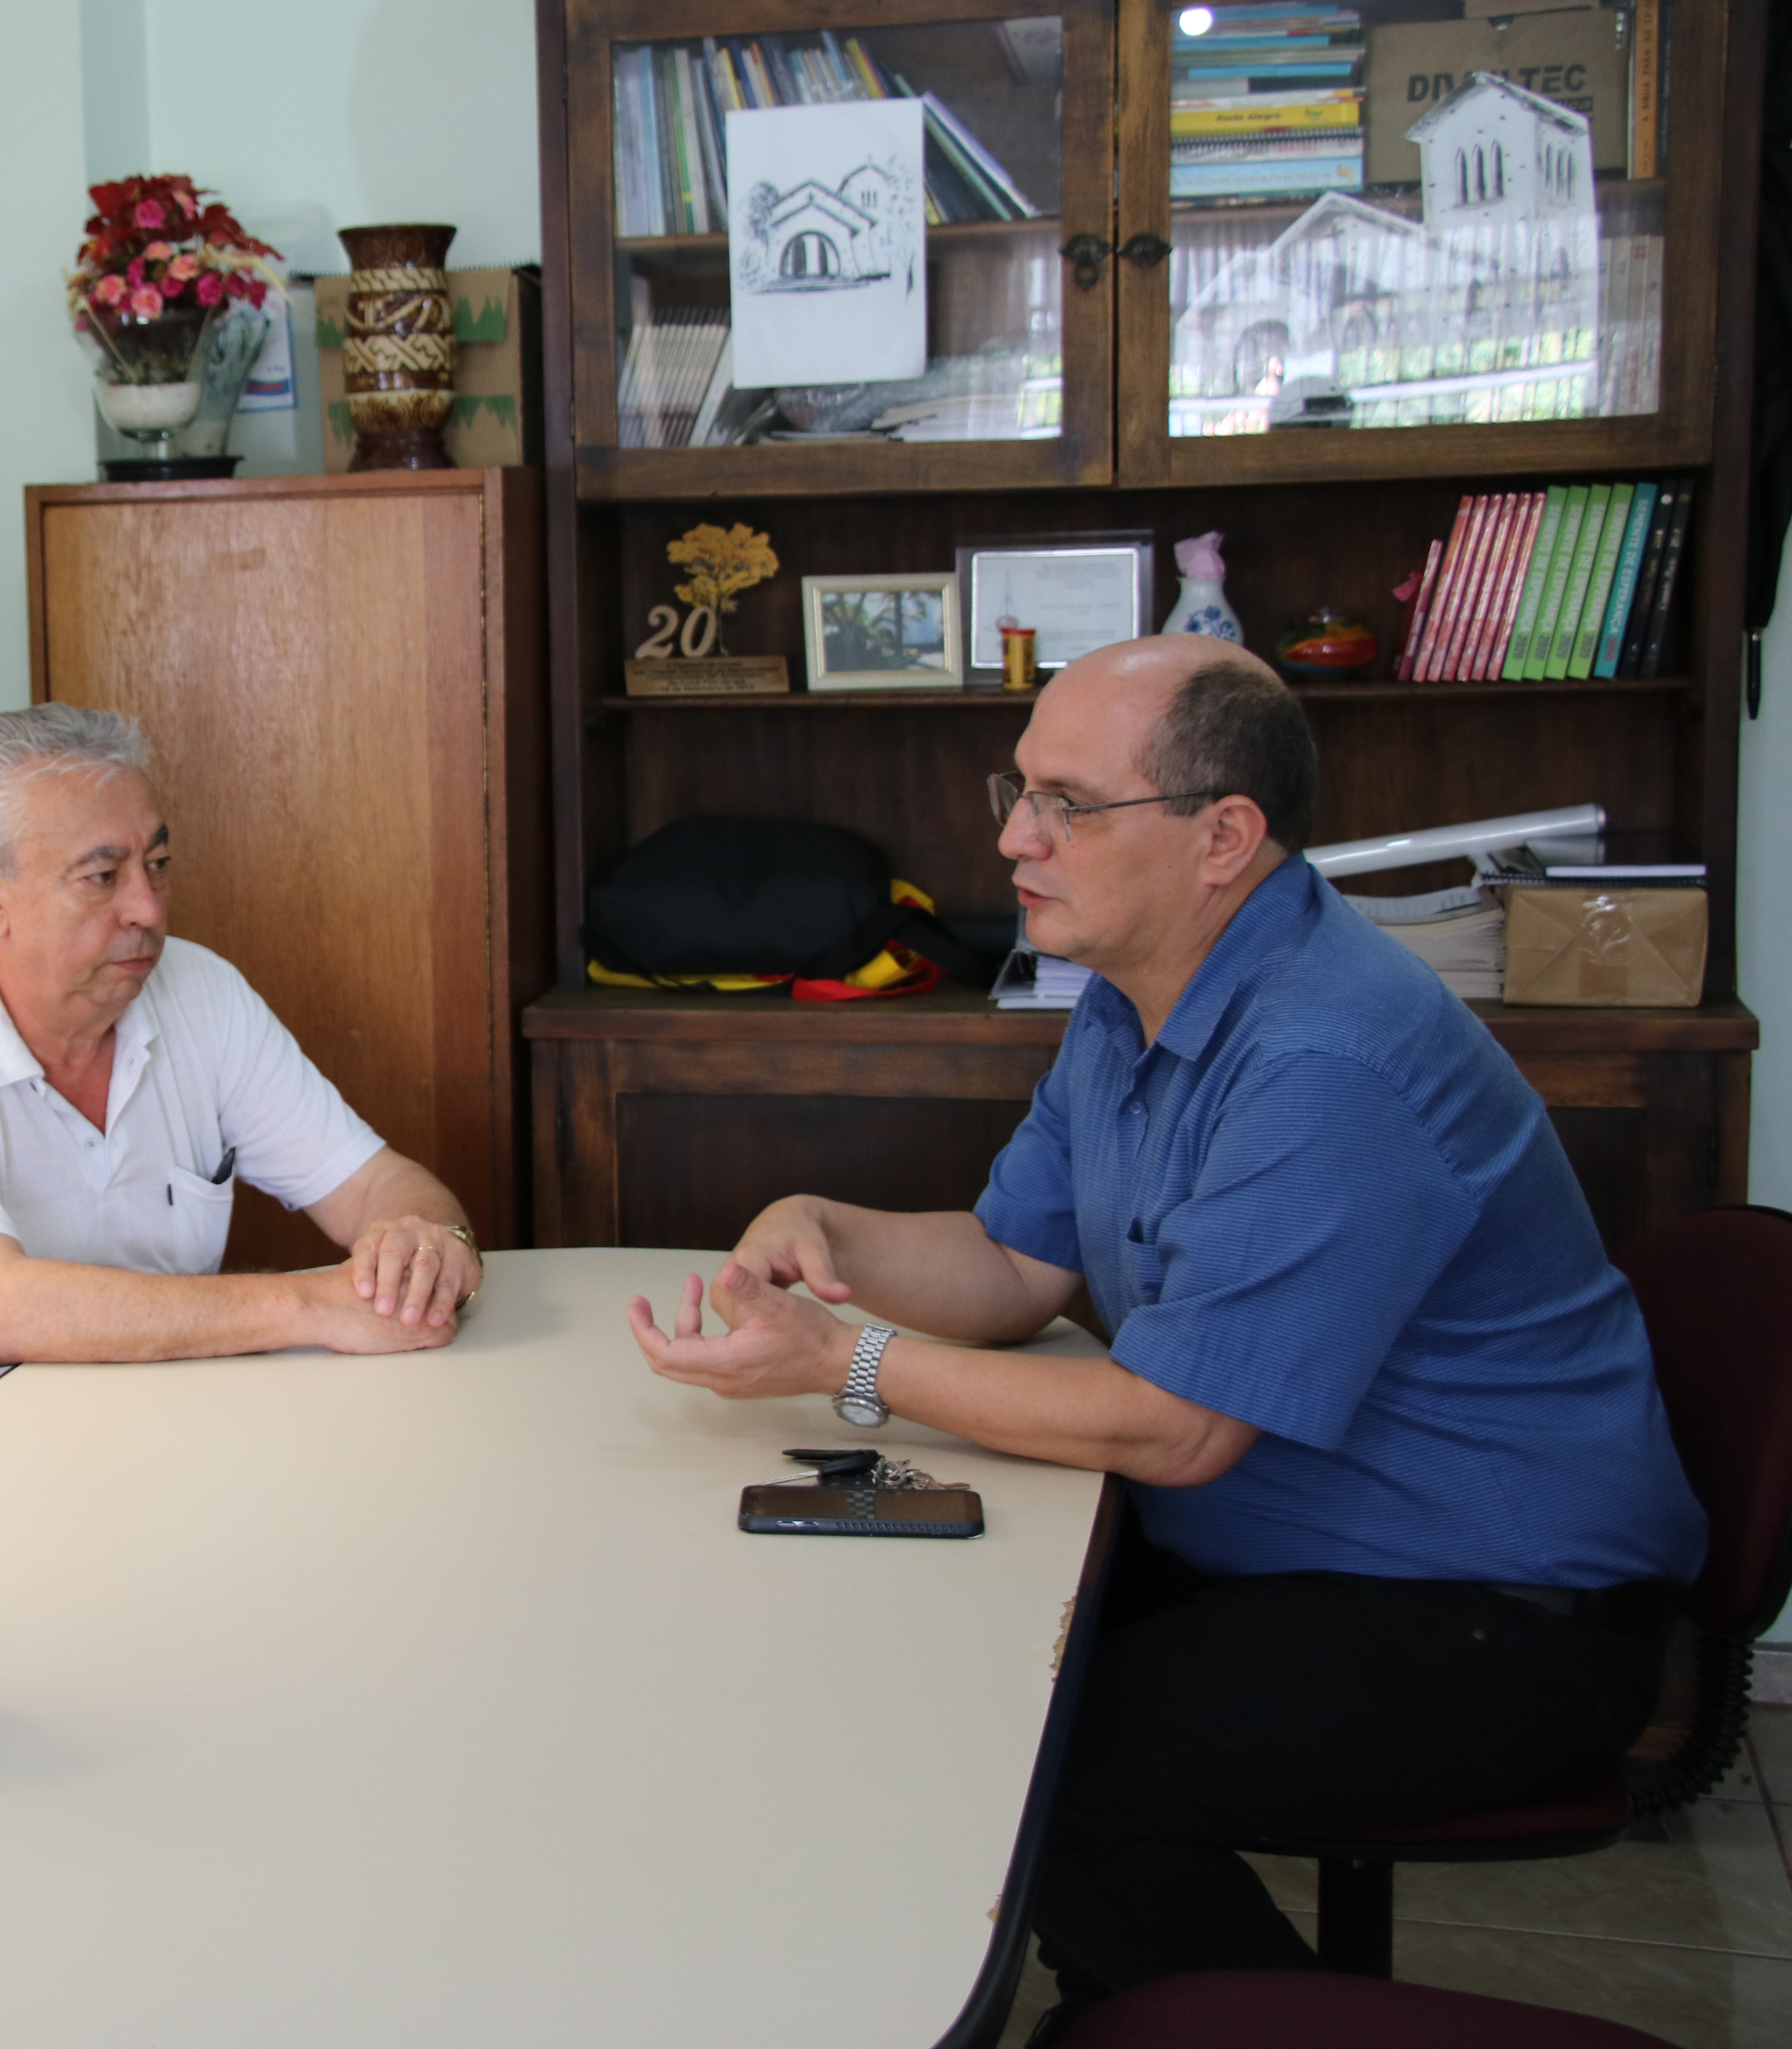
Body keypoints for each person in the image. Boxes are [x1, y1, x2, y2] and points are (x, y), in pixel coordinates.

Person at [624, 639, 1704, 2032]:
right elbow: (1018, 1263)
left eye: (1068, 802)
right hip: (1299, 1552)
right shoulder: (1142, 994)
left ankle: (1218, 2020)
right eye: (1017, 788)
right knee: (923, 1661)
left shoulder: (1326, 1053)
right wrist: (830, 1231)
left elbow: (1177, 1429)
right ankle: (1124, 2004)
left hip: (1500, 1611)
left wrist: (852, 1362)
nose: (1015, 835)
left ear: (1224, 838)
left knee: (1048, 1767)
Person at [0, 704, 484, 1533]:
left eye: (158, 863)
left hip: (146, 1451)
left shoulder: (200, 993)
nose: (148, 908)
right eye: (103, 877)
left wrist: (427, 1243)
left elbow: (376, 1183)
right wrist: (310, 1307)